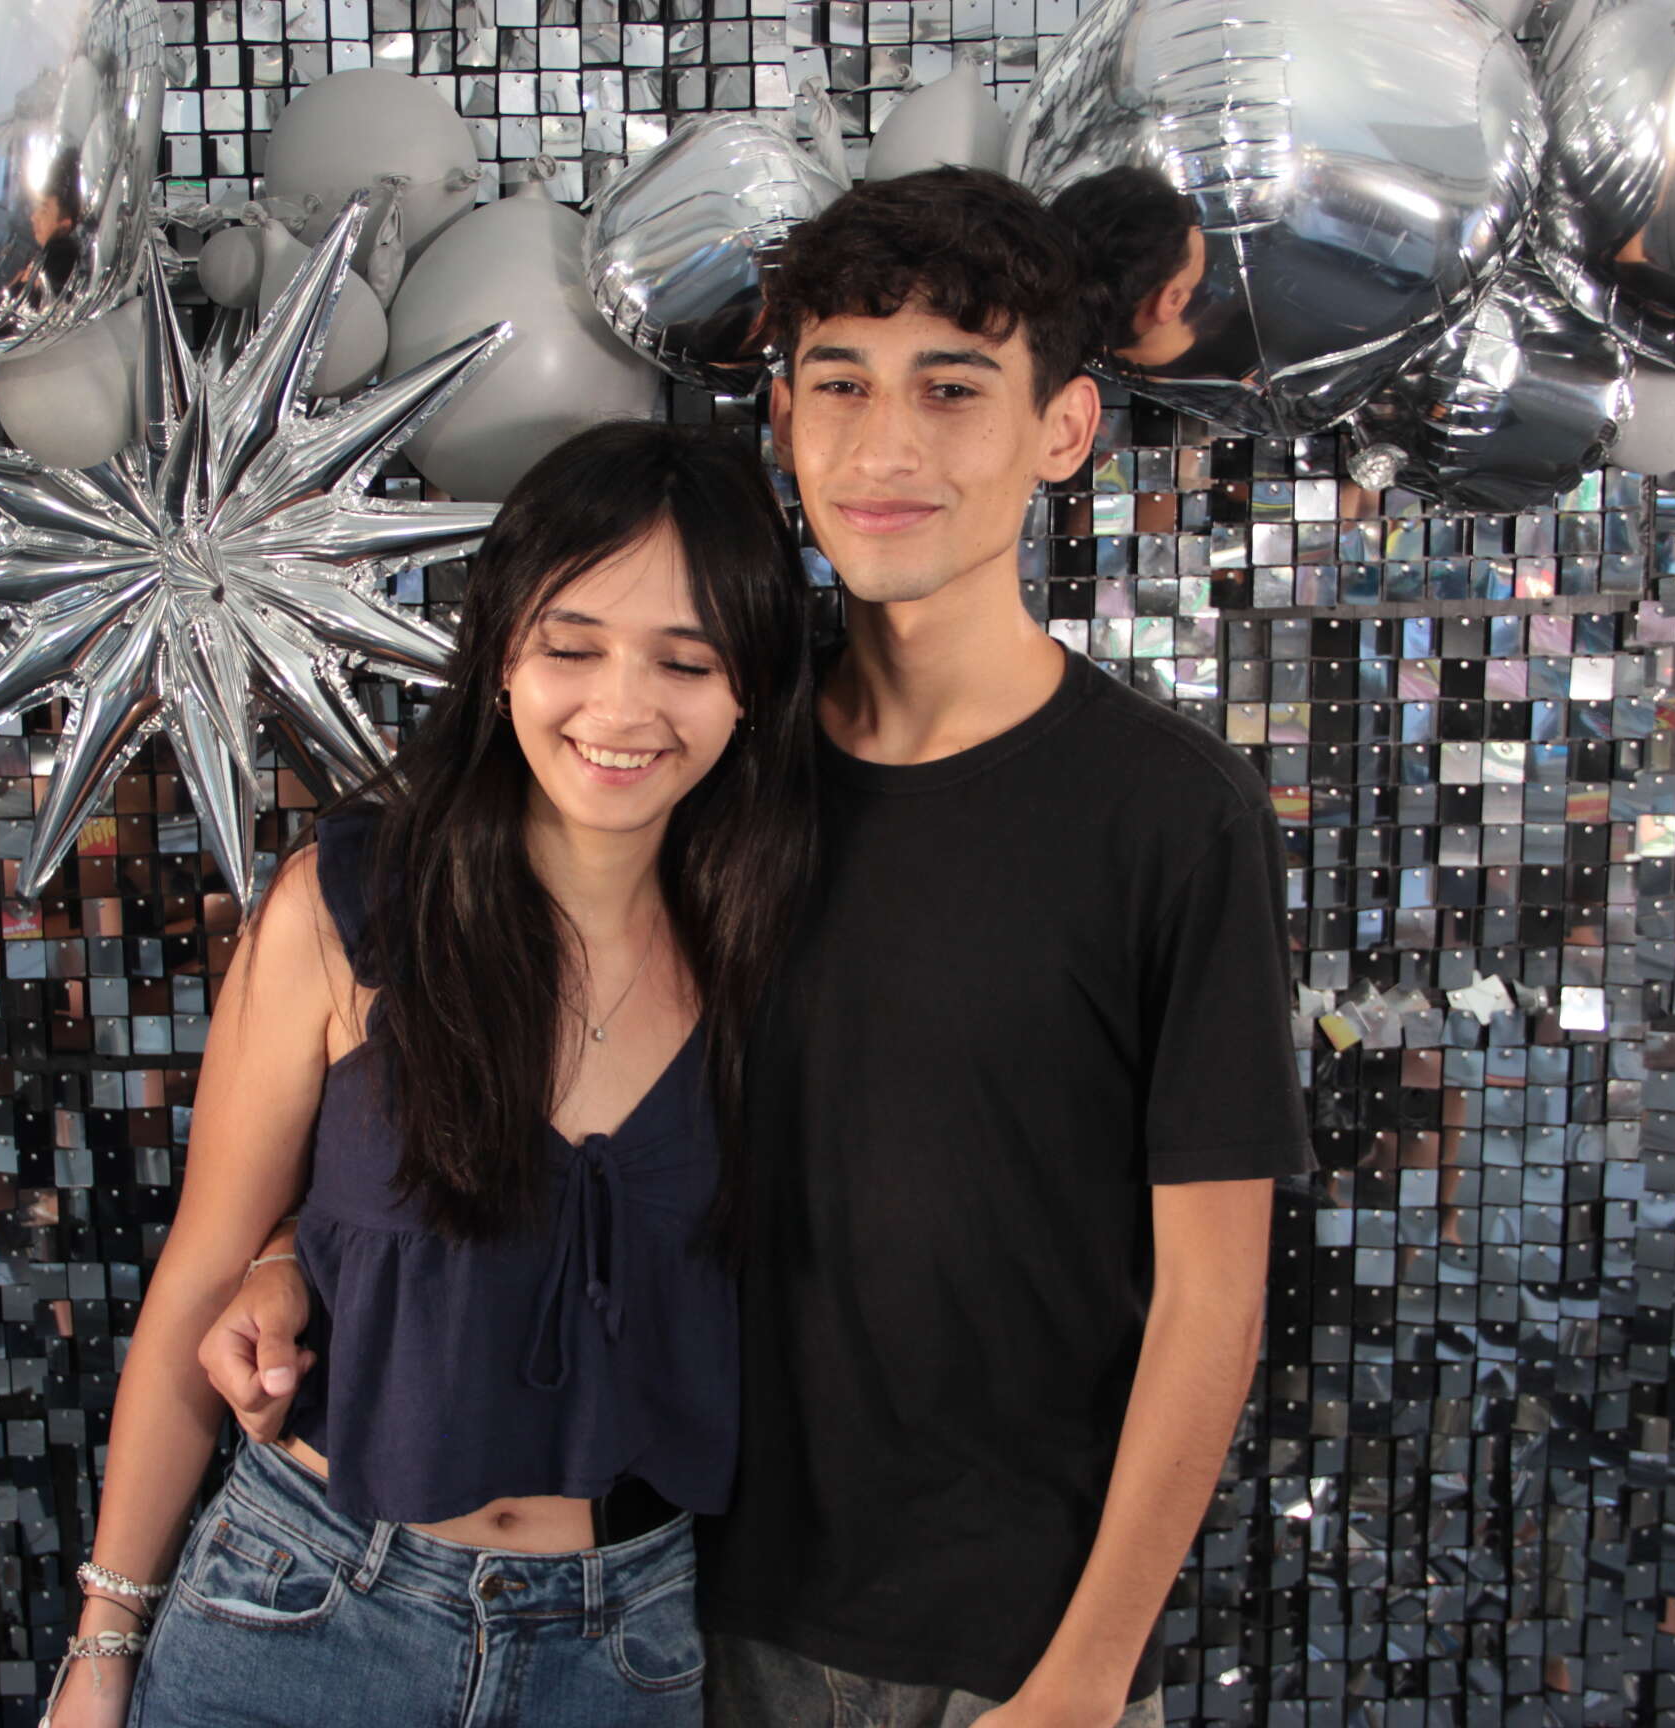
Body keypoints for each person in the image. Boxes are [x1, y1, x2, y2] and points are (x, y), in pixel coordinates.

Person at [213, 167, 1313, 1728]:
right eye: (841, 385)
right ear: (783, 417)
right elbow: (493, 1052)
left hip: (1011, 1638)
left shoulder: (1169, 814)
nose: (886, 447)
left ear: (1064, 428)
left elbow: (1215, 1294)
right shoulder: (702, 758)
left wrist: (1085, 1674)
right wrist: (284, 1249)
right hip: (688, 1608)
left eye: (953, 389)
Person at [41, 419, 817, 1728]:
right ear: (501, 654)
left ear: (749, 690)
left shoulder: (772, 949)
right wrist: (104, 1637)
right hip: (304, 1609)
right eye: (572, 647)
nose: (623, 707)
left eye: (686, 662)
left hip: (620, 1651)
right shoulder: (345, 906)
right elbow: (201, 1271)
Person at [1046, 166, 1213, 374]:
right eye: (1193, 221)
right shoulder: (1236, 369)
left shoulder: (1058, 373)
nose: (1198, 227)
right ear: (1172, 300)